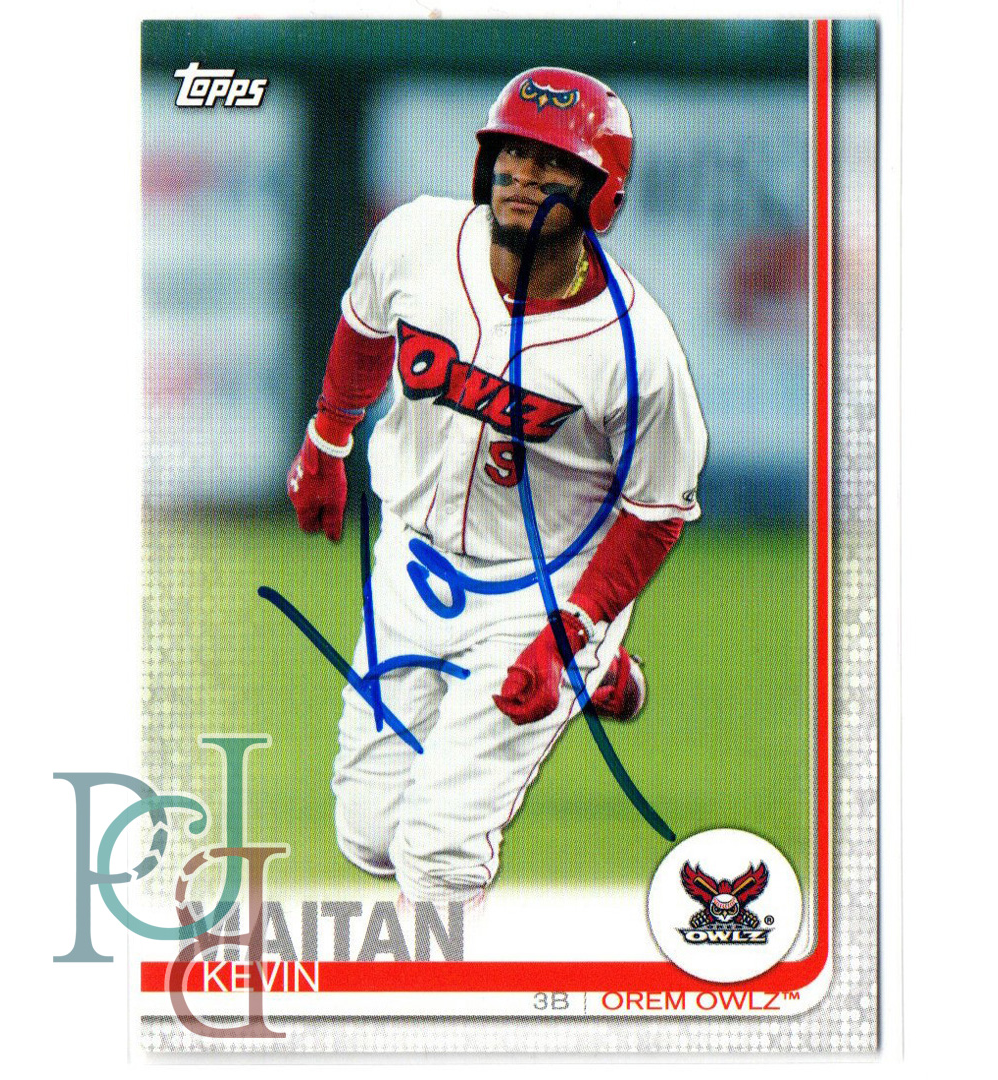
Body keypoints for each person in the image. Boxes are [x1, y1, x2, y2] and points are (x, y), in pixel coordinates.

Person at [287, 67, 708, 906]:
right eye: (511, 154)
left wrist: (568, 633)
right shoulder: (417, 239)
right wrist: (327, 438)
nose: (522, 175)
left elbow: (655, 513)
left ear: (601, 194)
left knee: (436, 857)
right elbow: (364, 325)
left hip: (541, 593)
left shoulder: (638, 350)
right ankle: (602, 677)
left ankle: (585, 662)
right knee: (369, 836)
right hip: (412, 560)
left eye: (553, 164)